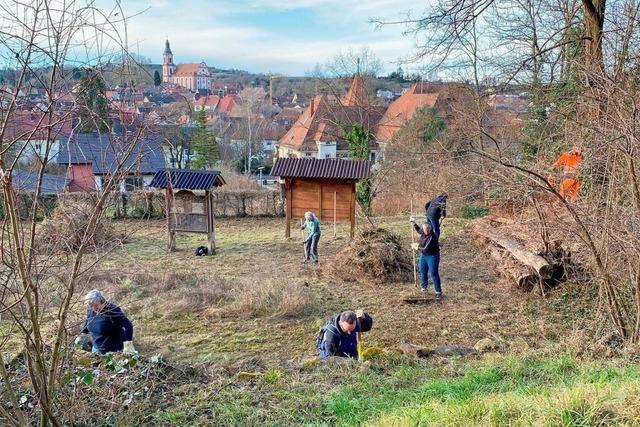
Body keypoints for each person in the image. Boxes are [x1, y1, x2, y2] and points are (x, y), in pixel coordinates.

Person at [80, 289, 136, 355]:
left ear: (102, 301)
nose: (94, 308)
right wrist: (82, 334)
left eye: (96, 305)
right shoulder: (91, 310)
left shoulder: (113, 310)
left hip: (114, 351)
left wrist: (128, 344)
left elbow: (128, 325)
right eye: (91, 306)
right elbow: (88, 322)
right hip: (96, 349)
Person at [410, 218, 442, 300]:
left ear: (430, 229)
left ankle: (438, 292)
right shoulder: (423, 232)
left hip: (433, 256)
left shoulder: (432, 237)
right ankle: (424, 287)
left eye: (427, 229)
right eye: (424, 230)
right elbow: (418, 230)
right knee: (422, 271)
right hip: (424, 256)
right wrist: (413, 223)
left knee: (433, 273)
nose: (426, 231)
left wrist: (416, 246)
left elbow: (425, 248)